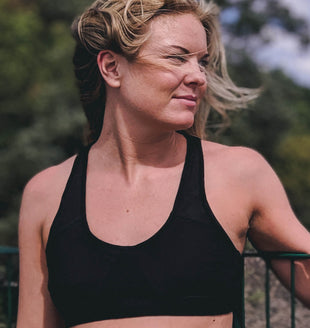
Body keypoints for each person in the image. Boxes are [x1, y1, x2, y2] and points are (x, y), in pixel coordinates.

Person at [17, 0, 310, 327]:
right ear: (112, 68)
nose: (198, 76)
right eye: (177, 57)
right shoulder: (44, 194)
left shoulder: (238, 174)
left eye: (202, 62)